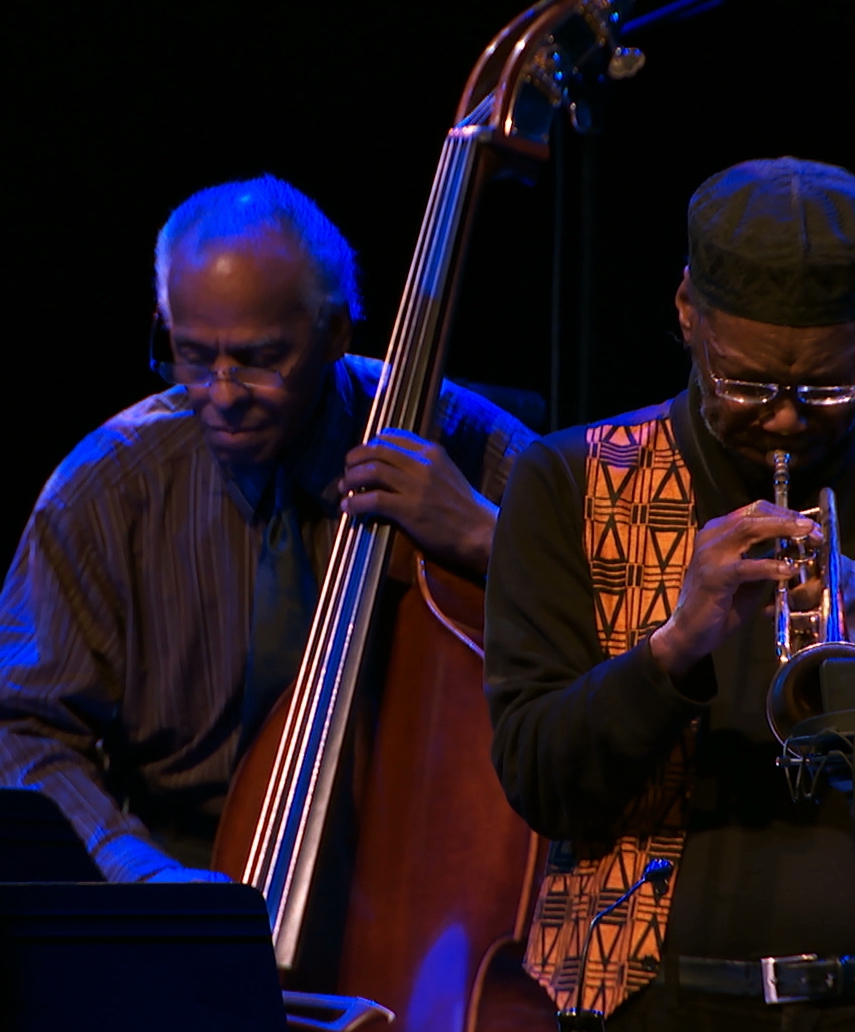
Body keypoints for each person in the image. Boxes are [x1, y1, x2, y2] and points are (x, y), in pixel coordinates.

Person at [485, 157, 855, 1030]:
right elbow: (537, 780)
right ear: (686, 310)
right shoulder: (567, 479)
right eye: (744, 384)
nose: (783, 418)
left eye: (826, 388)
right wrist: (673, 650)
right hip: (656, 1008)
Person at [0, 174, 535, 884]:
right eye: (193, 356)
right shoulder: (106, 491)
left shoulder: (449, 436)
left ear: (334, 332)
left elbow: (638, 599)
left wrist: (491, 539)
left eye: (259, 360)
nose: (222, 395)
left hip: (421, 883)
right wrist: (142, 877)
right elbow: (23, 727)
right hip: (179, 878)